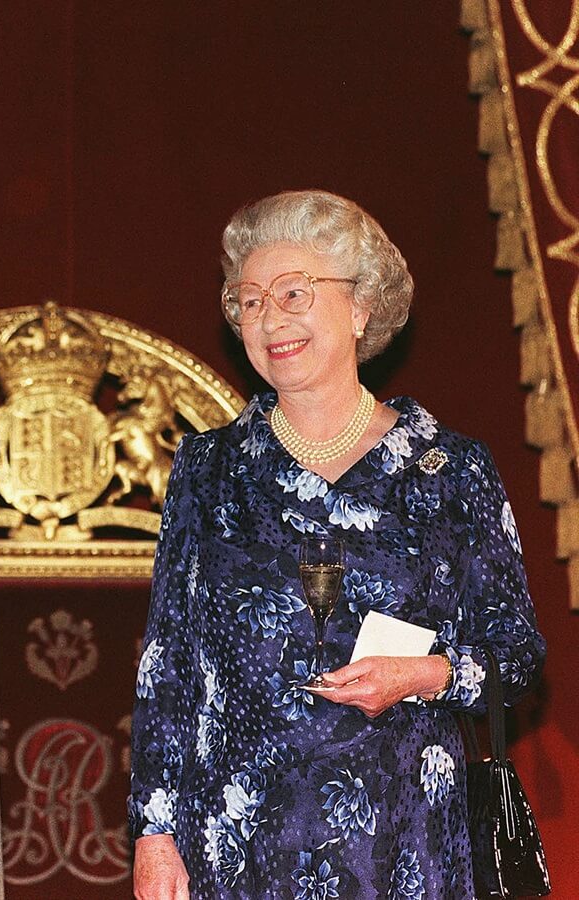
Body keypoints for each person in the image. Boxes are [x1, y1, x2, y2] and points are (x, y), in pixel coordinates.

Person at [128, 190, 545, 899]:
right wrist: (154, 837)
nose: (270, 318)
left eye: (294, 292)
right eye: (250, 301)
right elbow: (168, 667)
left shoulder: (451, 471)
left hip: (405, 839)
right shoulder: (207, 469)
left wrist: (423, 676)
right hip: (238, 845)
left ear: (360, 309)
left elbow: (519, 656)